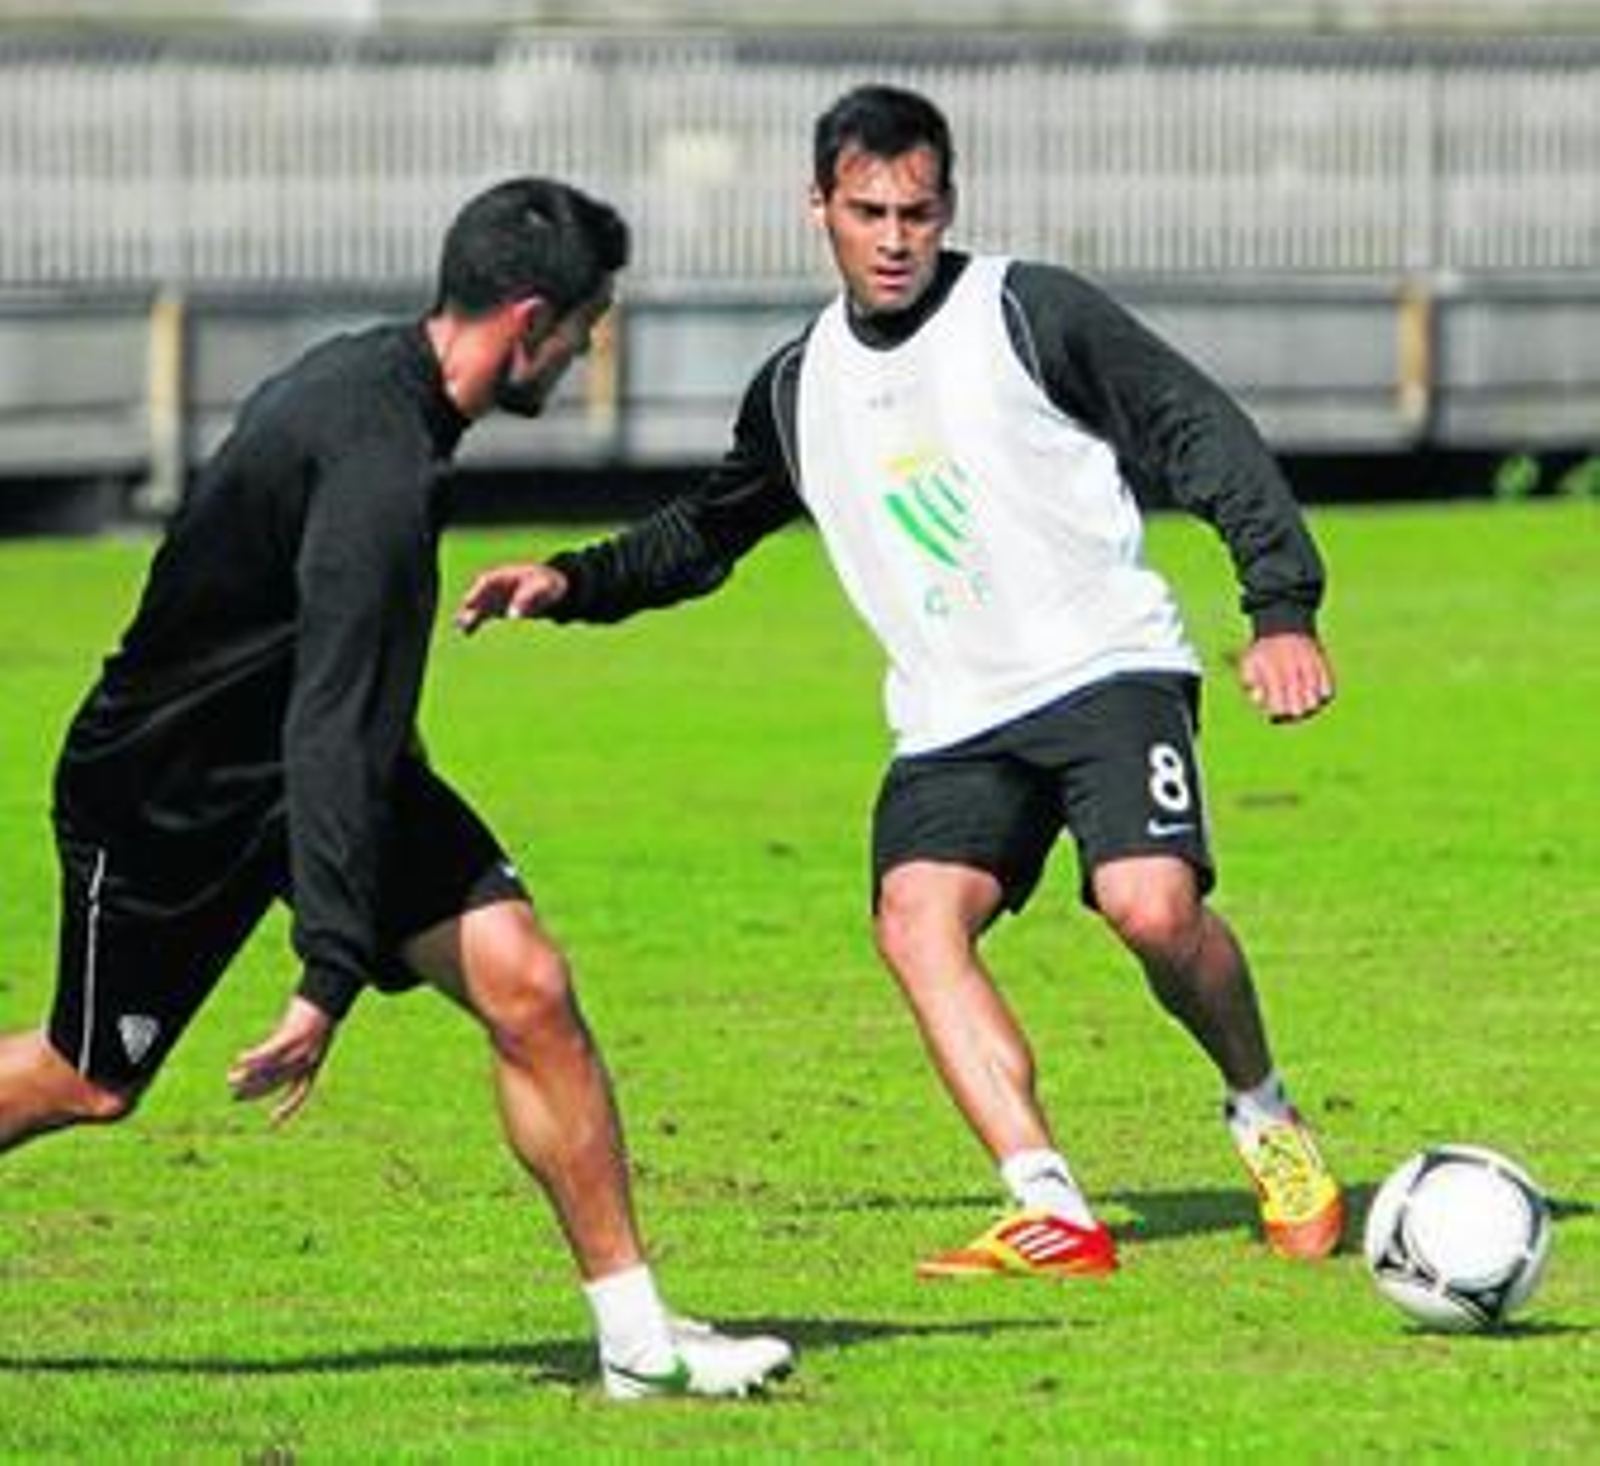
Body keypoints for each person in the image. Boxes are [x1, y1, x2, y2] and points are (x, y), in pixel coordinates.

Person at [457, 88, 1345, 1277]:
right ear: (816, 206)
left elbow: (1197, 428)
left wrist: (1278, 605)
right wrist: (574, 580)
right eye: (867, 211)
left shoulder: (1028, 310)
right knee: (915, 919)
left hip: (1104, 667)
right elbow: (707, 531)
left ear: (948, 208)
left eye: (916, 213)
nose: (892, 237)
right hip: (954, 714)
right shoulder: (796, 385)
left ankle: (1265, 1111)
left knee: (1150, 906)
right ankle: (1049, 1203)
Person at [0, 177, 793, 1399]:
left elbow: (330, 711)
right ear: (528, 320)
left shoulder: (386, 389)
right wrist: (328, 971)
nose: (587, 354)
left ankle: (639, 1341)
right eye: (585, 328)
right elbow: (332, 718)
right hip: (170, 795)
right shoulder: (383, 464)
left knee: (529, 985)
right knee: (88, 1078)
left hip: (324, 766)